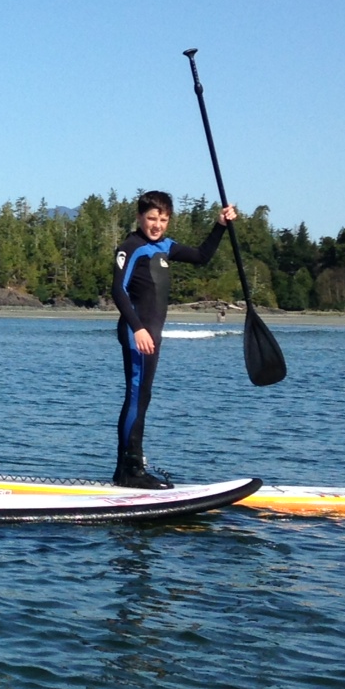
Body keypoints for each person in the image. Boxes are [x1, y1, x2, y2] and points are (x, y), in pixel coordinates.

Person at [111, 191, 237, 488]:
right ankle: (131, 470)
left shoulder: (166, 246)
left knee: (142, 397)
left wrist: (220, 225)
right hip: (136, 332)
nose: (157, 225)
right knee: (137, 396)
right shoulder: (130, 247)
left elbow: (202, 257)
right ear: (140, 217)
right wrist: (138, 328)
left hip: (151, 334)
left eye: (163, 219)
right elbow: (119, 290)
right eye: (152, 218)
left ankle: (126, 469)